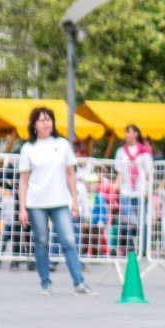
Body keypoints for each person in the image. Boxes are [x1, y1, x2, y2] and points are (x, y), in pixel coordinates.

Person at [18, 106, 97, 296]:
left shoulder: (62, 145)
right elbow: (23, 180)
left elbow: (71, 174)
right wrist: (22, 208)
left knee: (69, 240)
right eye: (42, 120)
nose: (46, 123)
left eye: (49, 119)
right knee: (41, 242)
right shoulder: (28, 148)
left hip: (60, 201)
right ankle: (45, 282)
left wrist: (74, 201)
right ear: (34, 124)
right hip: (36, 202)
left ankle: (79, 282)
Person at [114, 125, 154, 256]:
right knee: (126, 220)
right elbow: (120, 171)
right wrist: (115, 187)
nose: (126, 134)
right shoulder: (121, 152)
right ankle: (129, 248)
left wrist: (149, 191)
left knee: (142, 220)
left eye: (129, 132)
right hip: (126, 190)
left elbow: (149, 173)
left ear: (136, 134)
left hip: (140, 190)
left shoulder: (144, 152)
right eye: (125, 132)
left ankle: (143, 248)